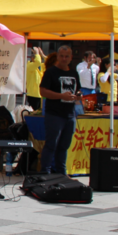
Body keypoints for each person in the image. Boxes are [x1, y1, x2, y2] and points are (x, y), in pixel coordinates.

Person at [38, 45, 81, 174]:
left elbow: (78, 89)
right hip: (54, 114)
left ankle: (61, 173)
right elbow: (43, 91)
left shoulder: (74, 73)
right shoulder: (51, 72)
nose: (64, 58)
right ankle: (45, 172)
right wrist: (61, 96)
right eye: (61, 56)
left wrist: (78, 95)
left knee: (64, 146)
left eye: (66, 56)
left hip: (69, 114)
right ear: (57, 57)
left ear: (71, 58)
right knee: (51, 144)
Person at [26, 47, 44, 111]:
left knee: (39, 113)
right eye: (37, 57)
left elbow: (51, 64)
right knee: (33, 112)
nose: (40, 59)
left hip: (40, 95)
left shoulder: (40, 67)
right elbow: (38, 62)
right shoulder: (29, 66)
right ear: (32, 58)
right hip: (33, 95)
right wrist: (37, 53)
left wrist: (43, 55)